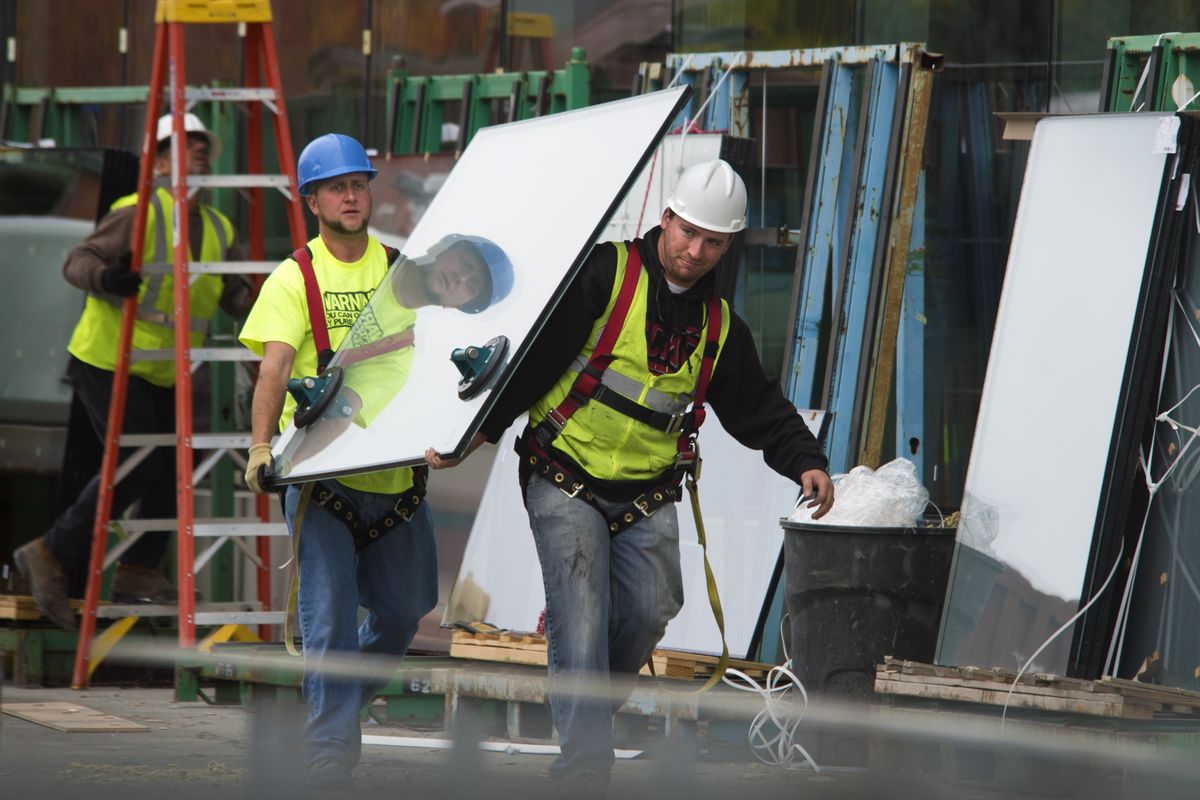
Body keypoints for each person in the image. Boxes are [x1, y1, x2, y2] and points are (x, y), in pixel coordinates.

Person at [427, 159, 835, 795]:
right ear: (665, 218)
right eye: (688, 232)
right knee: (582, 611)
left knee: (649, 610)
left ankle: (581, 694)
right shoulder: (605, 275)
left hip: (646, 491)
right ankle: (585, 768)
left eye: (714, 242)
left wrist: (804, 459)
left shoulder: (721, 327)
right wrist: (477, 433)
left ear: (728, 246)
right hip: (562, 472)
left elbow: (757, 405)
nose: (695, 251)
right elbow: (535, 362)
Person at [239, 134, 508, 789]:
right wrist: (258, 447)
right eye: (337, 188)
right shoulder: (294, 279)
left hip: (394, 480)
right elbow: (273, 367)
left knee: (402, 610)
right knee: (327, 620)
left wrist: (461, 431)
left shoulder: (399, 267)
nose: (352, 195)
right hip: (322, 478)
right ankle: (330, 750)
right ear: (312, 202)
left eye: (359, 183)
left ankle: (328, 715)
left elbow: (447, 348)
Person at [15, 113, 251, 629]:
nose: (200, 153)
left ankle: (140, 569)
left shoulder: (217, 228)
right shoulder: (138, 213)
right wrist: (108, 276)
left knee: (173, 464)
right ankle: (51, 552)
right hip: (108, 361)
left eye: (202, 146)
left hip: (164, 370)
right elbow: (77, 261)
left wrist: (268, 301)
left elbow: (237, 297)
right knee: (139, 462)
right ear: (160, 163)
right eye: (185, 146)